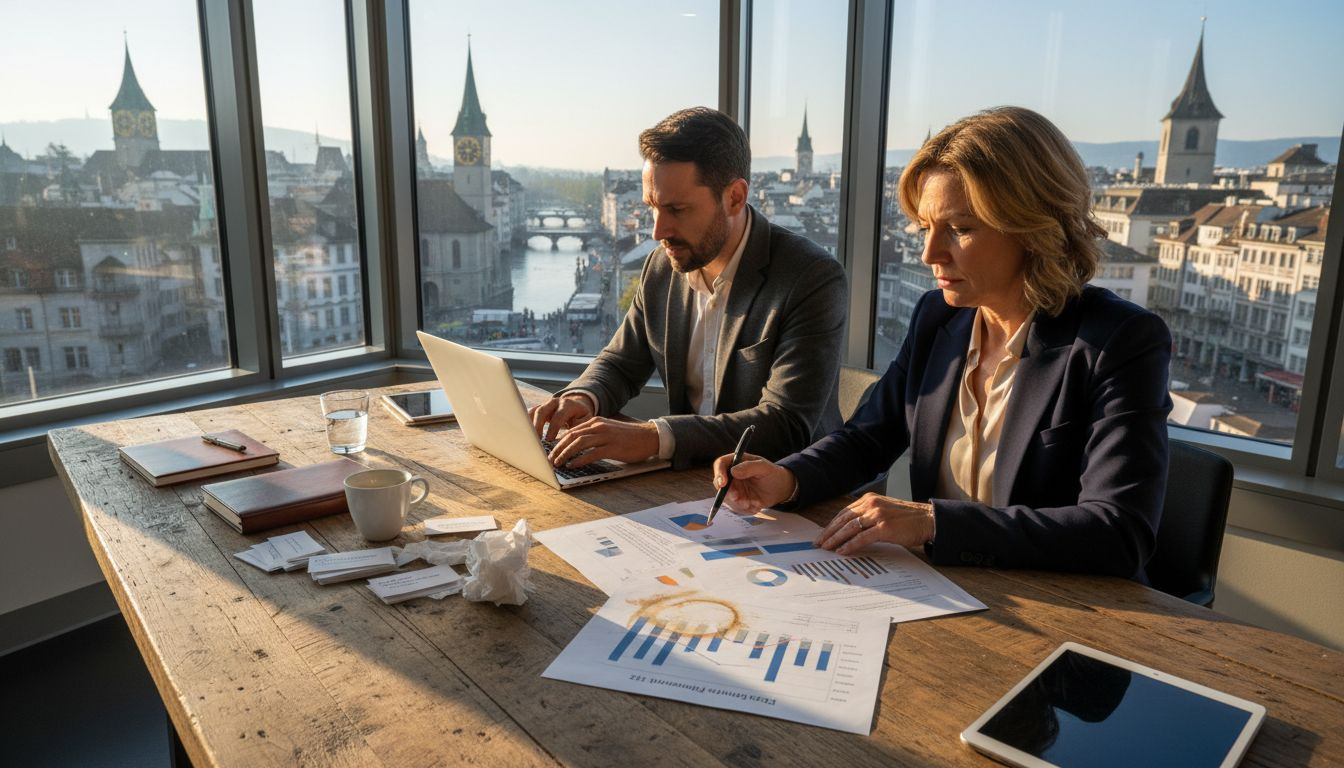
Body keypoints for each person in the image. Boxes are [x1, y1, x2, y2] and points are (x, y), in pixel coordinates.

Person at [714, 106, 1172, 580]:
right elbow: (867, 438)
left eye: (960, 229)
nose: (930, 253)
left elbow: (1120, 532)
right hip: (944, 588)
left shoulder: (1118, 341)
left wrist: (933, 523)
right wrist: (787, 478)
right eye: (925, 228)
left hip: (1062, 603)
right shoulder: (939, 317)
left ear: (1033, 227)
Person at [530, 107, 847, 470]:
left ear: (735, 197)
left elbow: (785, 424)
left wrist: (654, 437)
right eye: (652, 207)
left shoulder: (811, 277)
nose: (658, 231)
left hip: (784, 489)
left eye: (677, 210)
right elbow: (620, 363)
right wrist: (583, 397)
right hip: (688, 481)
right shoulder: (662, 267)